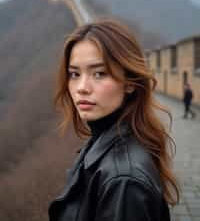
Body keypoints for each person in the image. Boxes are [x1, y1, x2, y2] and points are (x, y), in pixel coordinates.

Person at [48, 19, 179, 221]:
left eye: (99, 73)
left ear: (129, 83)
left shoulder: (124, 180)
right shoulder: (103, 144)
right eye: (74, 74)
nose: (82, 87)